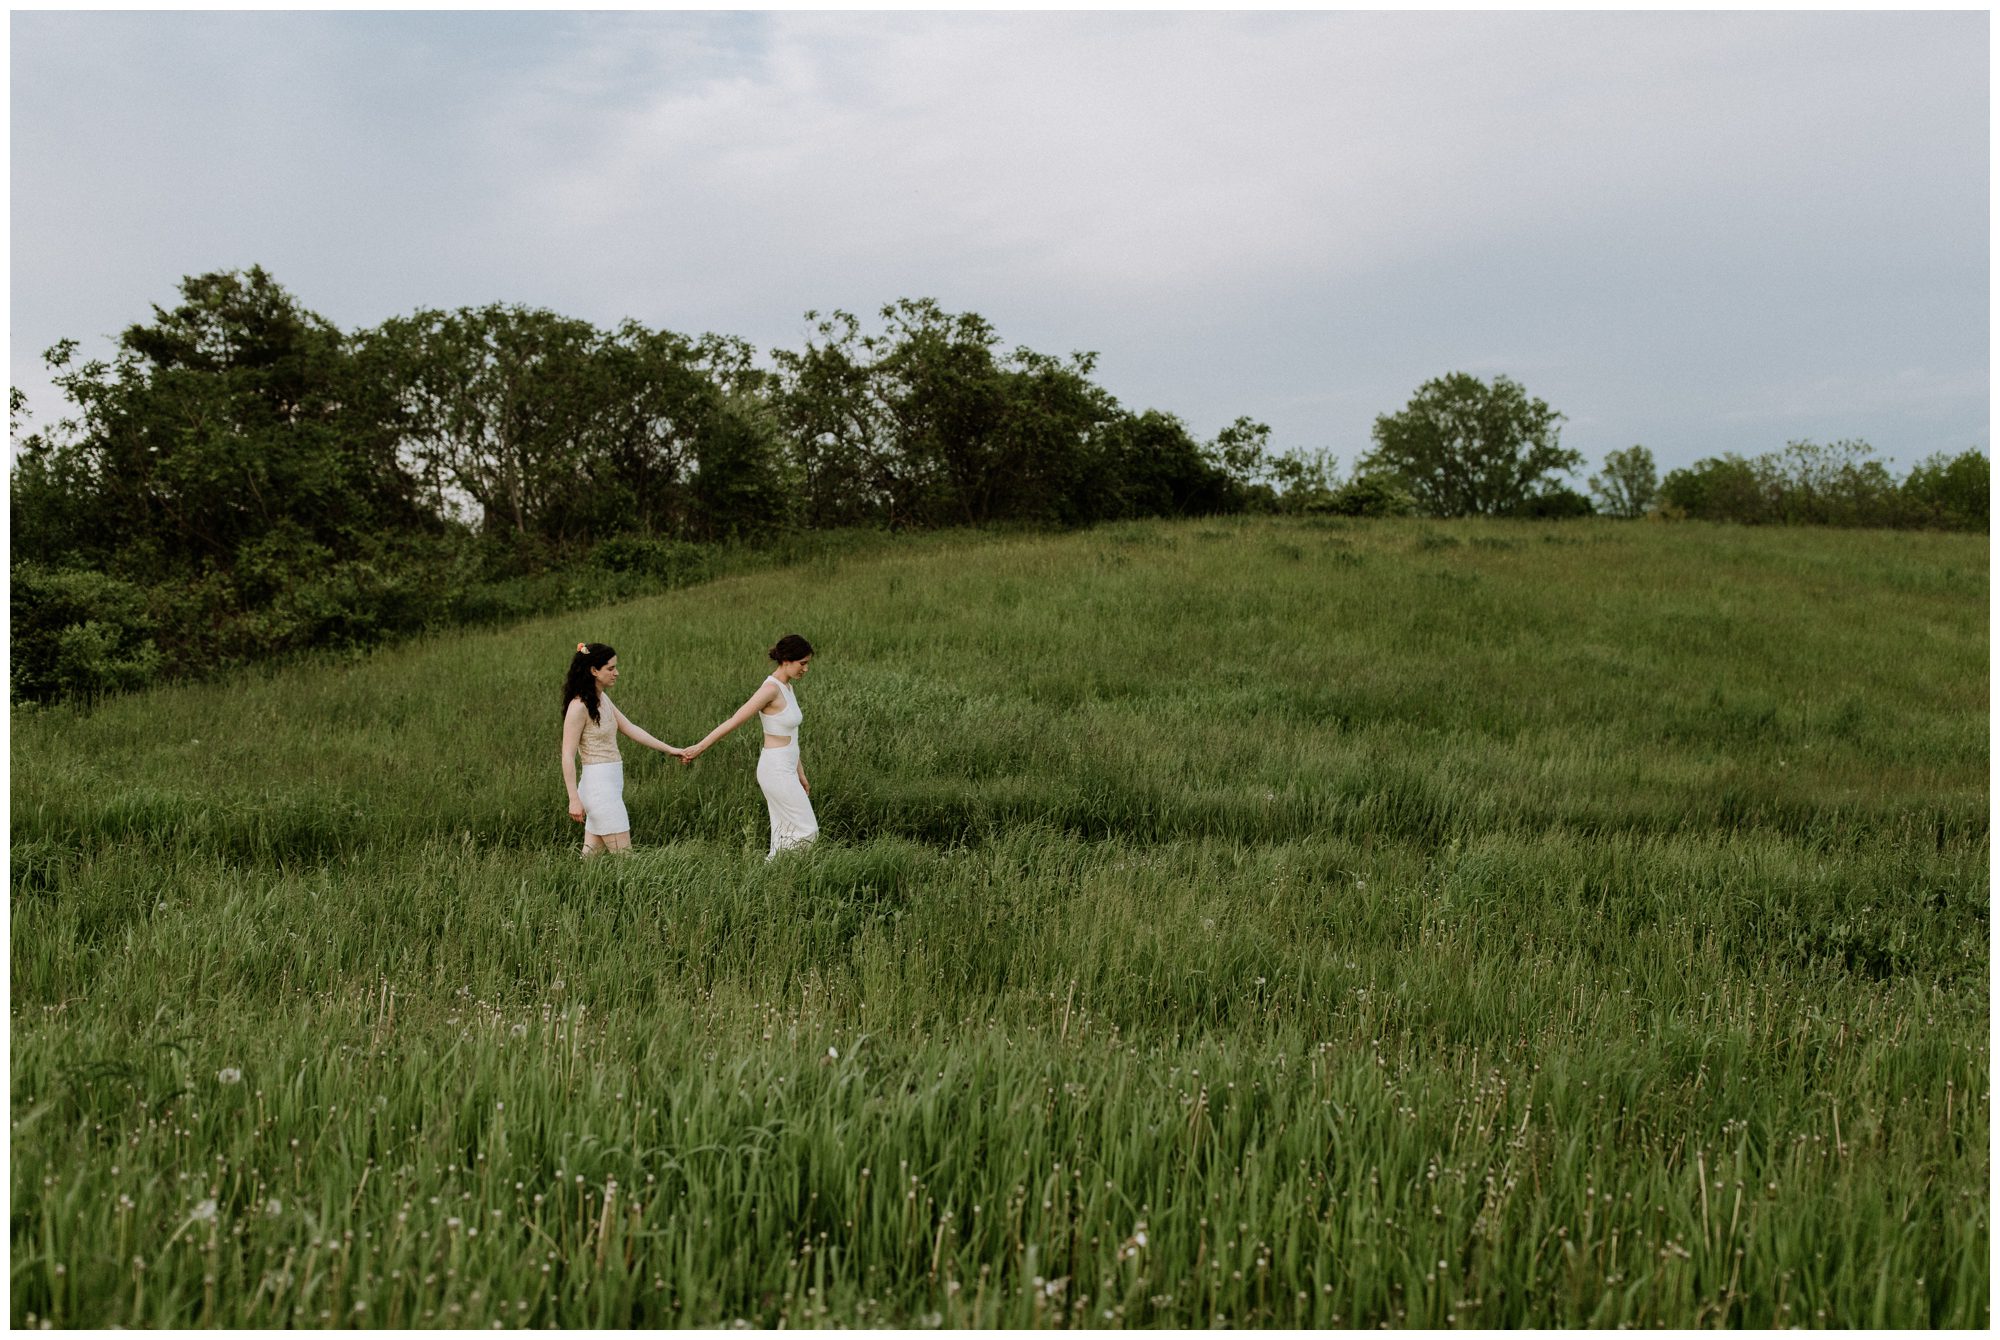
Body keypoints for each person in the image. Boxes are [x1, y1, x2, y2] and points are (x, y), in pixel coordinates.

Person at [682, 634, 818, 859]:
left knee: (785, 833)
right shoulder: (770, 689)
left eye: (807, 664)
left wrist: (800, 773)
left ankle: (777, 878)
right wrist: (699, 748)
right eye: (802, 663)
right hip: (775, 769)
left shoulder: (788, 688)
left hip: (787, 766)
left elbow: (792, 736)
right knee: (807, 830)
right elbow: (734, 721)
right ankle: (782, 871)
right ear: (786, 660)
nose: (806, 669)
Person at [560, 642, 687, 857]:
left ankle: (569, 889)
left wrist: (670, 749)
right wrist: (573, 798)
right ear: (594, 671)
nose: (616, 673)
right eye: (610, 668)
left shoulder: (601, 698)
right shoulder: (578, 707)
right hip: (599, 789)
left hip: (609, 784)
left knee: (590, 859)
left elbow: (630, 728)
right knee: (627, 860)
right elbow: (567, 755)